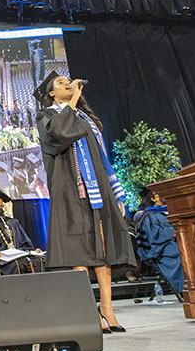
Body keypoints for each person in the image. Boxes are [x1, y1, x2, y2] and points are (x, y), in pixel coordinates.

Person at [35, 71, 135, 333]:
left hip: (97, 191)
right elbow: (60, 134)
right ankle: (88, 309)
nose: (67, 84)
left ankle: (108, 309)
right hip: (71, 190)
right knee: (80, 252)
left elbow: (102, 159)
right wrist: (74, 98)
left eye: (69, 82)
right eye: (60, 83)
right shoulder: (47, 117)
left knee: (102, 251)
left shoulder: (86, 119)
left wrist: (115, 192)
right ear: (51, 95)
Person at [133, 188, 185, 298]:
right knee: (184, 254)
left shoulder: (168, 211)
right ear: (152, 198)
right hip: (158, 250)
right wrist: (175, 232)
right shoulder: (149, 215)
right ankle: (186, 289)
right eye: (159, 194)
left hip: (170, 245)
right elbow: (155, 237)